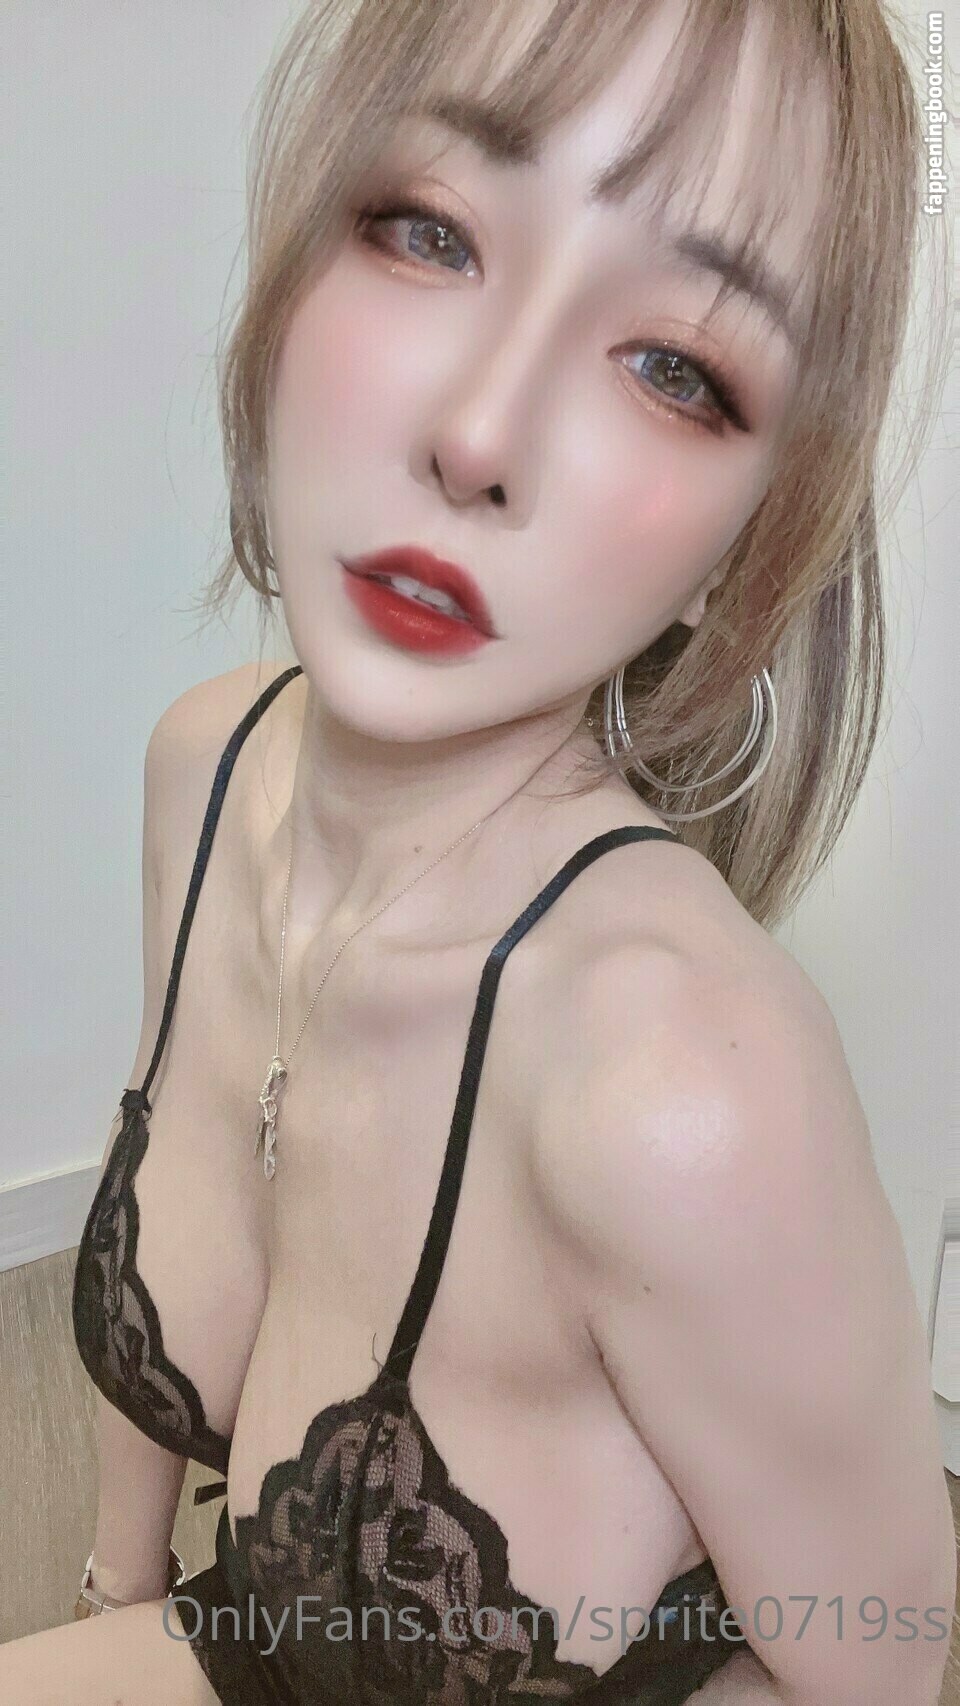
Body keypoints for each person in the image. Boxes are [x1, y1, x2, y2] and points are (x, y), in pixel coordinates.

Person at [4, 0, 954, 1700]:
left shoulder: (685, 1093)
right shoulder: (204, 772)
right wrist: (108, 1593)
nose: (481, 434)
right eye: (428, 231)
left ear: (744, 549)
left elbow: (891, 1669)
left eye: (676, 369)